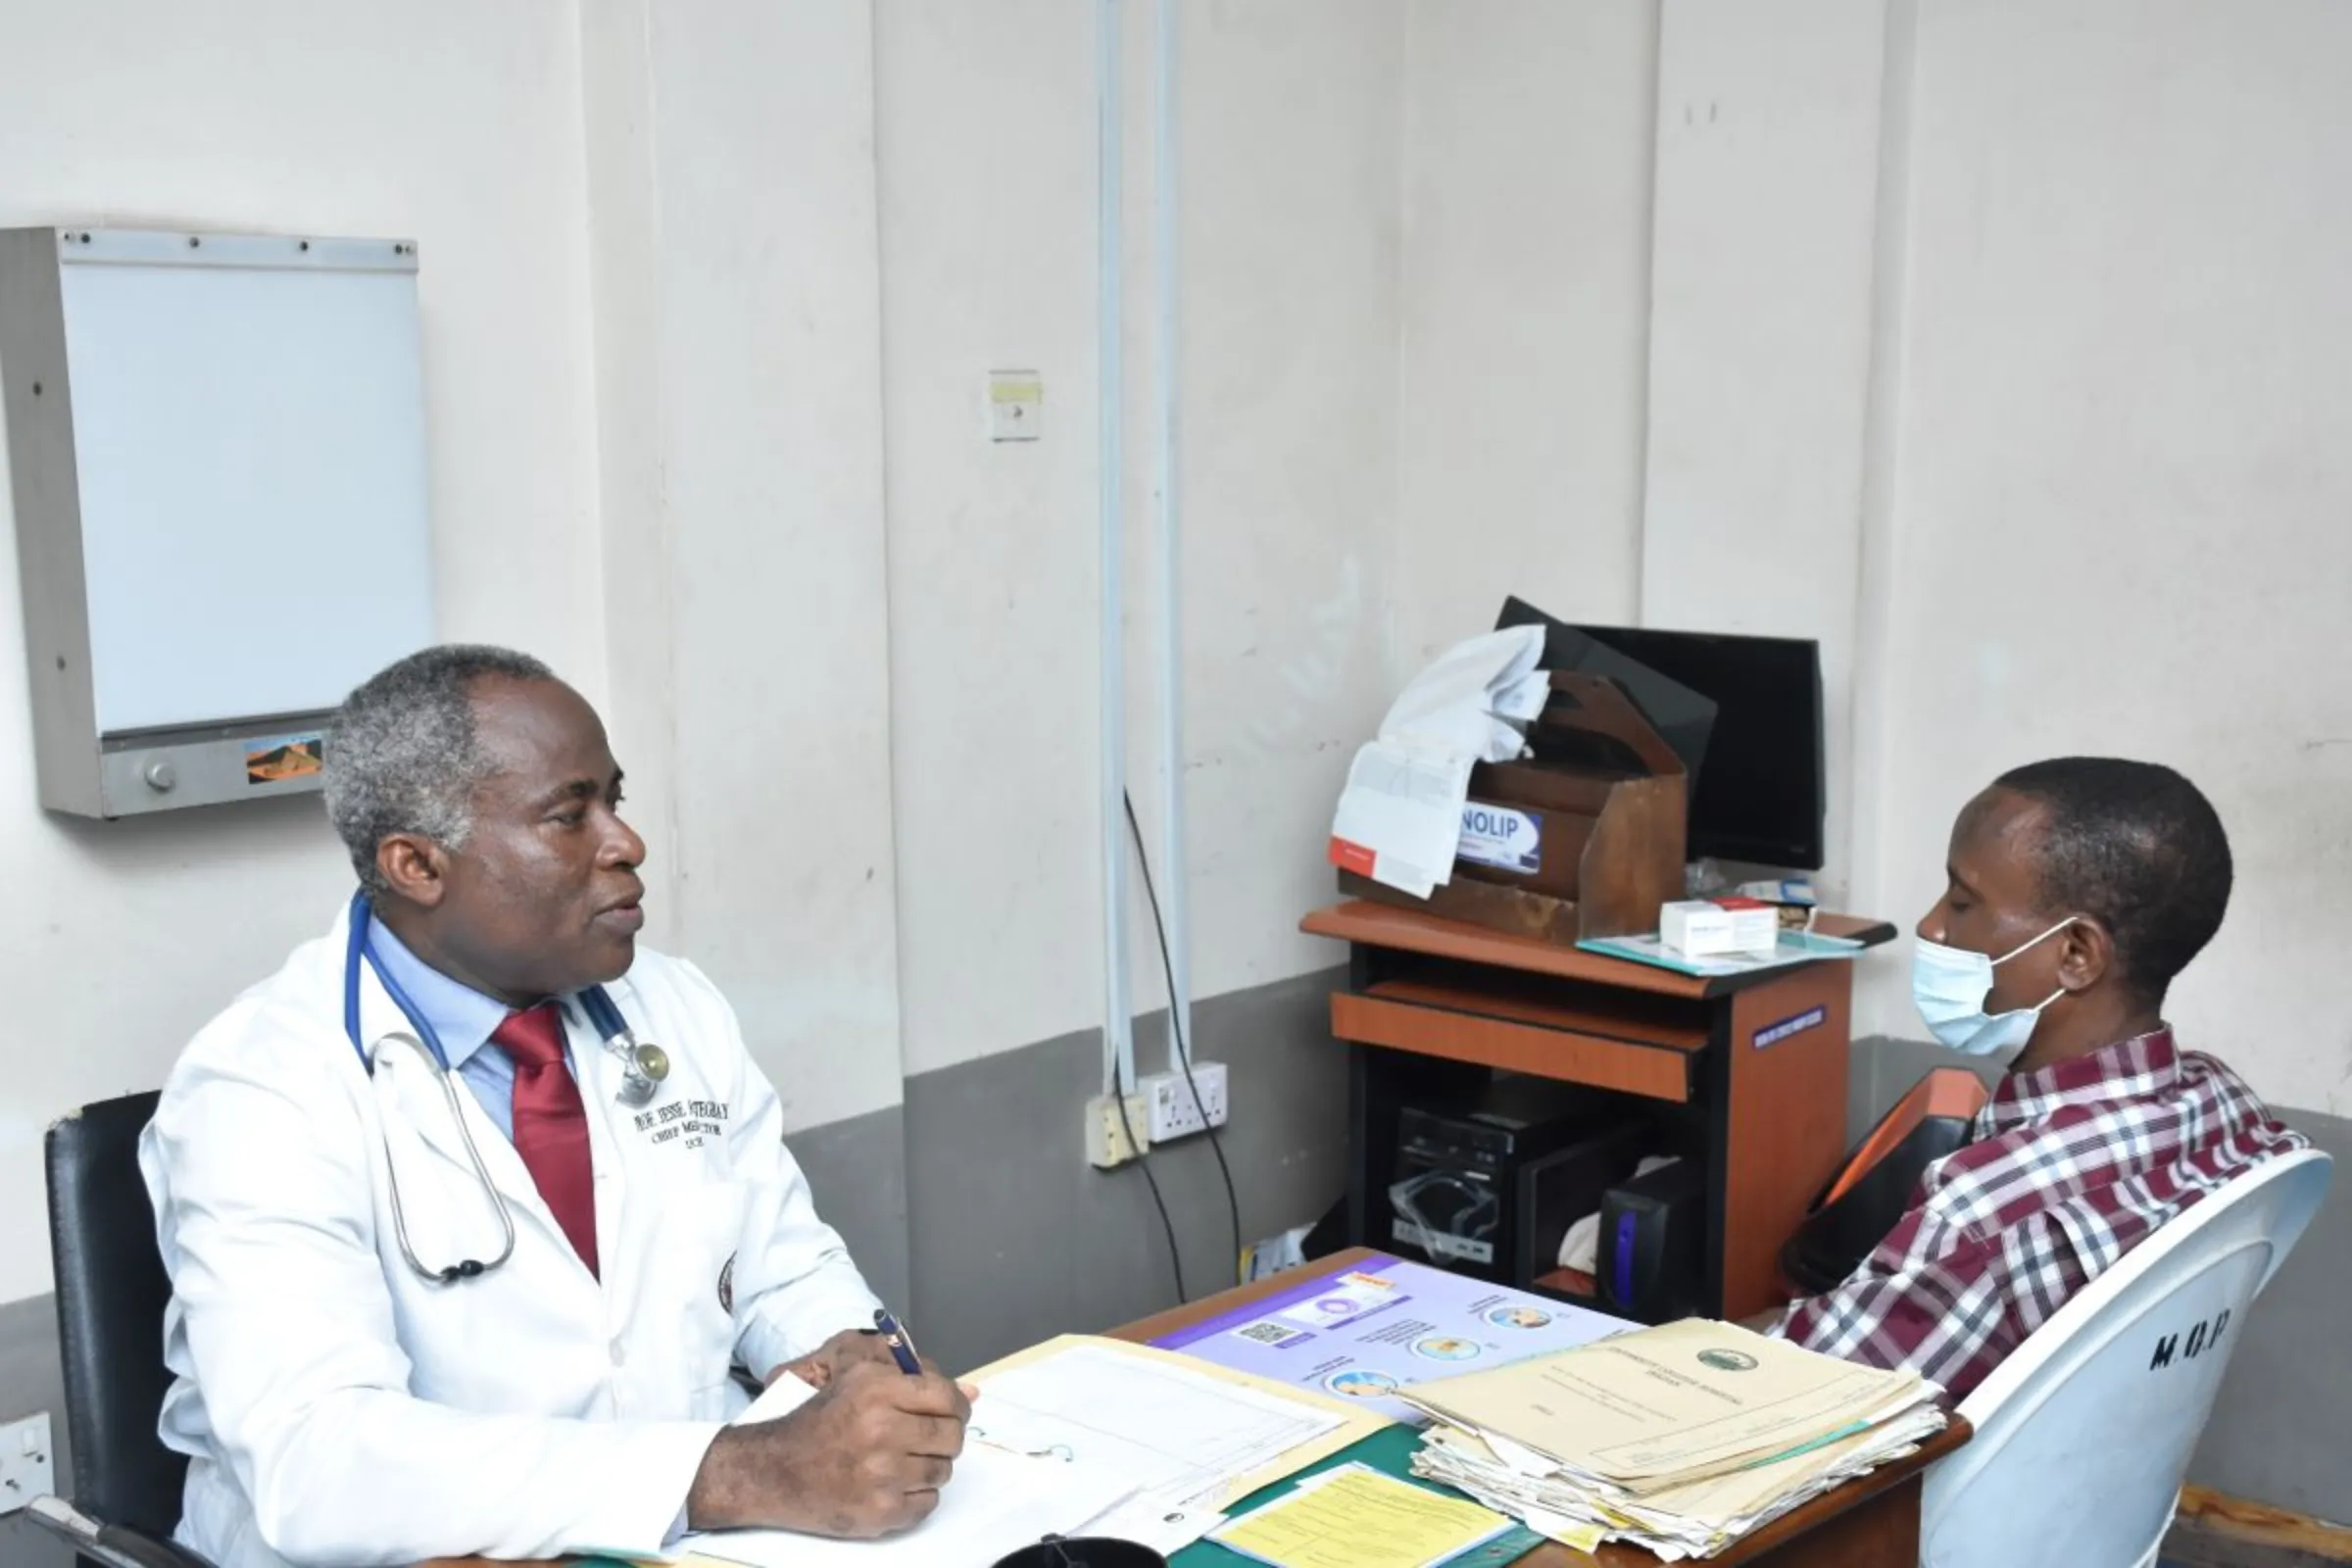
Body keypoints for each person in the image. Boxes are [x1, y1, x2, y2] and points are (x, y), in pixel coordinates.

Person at [138, 646, 972, 1568]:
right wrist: (739, 1471)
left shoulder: (672, 1005)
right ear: (417, 864)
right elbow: (322, 1463)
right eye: (569, 815)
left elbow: (777, 1260)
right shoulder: (261, 1090)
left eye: (615, 800)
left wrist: (846, 1354)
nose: (626, 843)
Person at [1770, 758, 2304, 1401]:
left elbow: (1785, 1408)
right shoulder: (2226, 1108)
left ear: (2076, 954)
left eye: (1963, 902)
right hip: (2100, 1489)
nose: (1932, 925)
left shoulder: (1981, 1213)